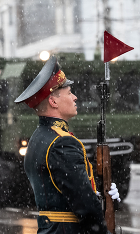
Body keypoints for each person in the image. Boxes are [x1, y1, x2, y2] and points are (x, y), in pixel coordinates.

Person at [15, 56, 120, 234]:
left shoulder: (38, 137)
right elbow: (85, 206)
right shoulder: (62, 142)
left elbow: (63, 193)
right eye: (69, 92)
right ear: (53, 101)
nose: (75, 97)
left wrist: (102, 196)